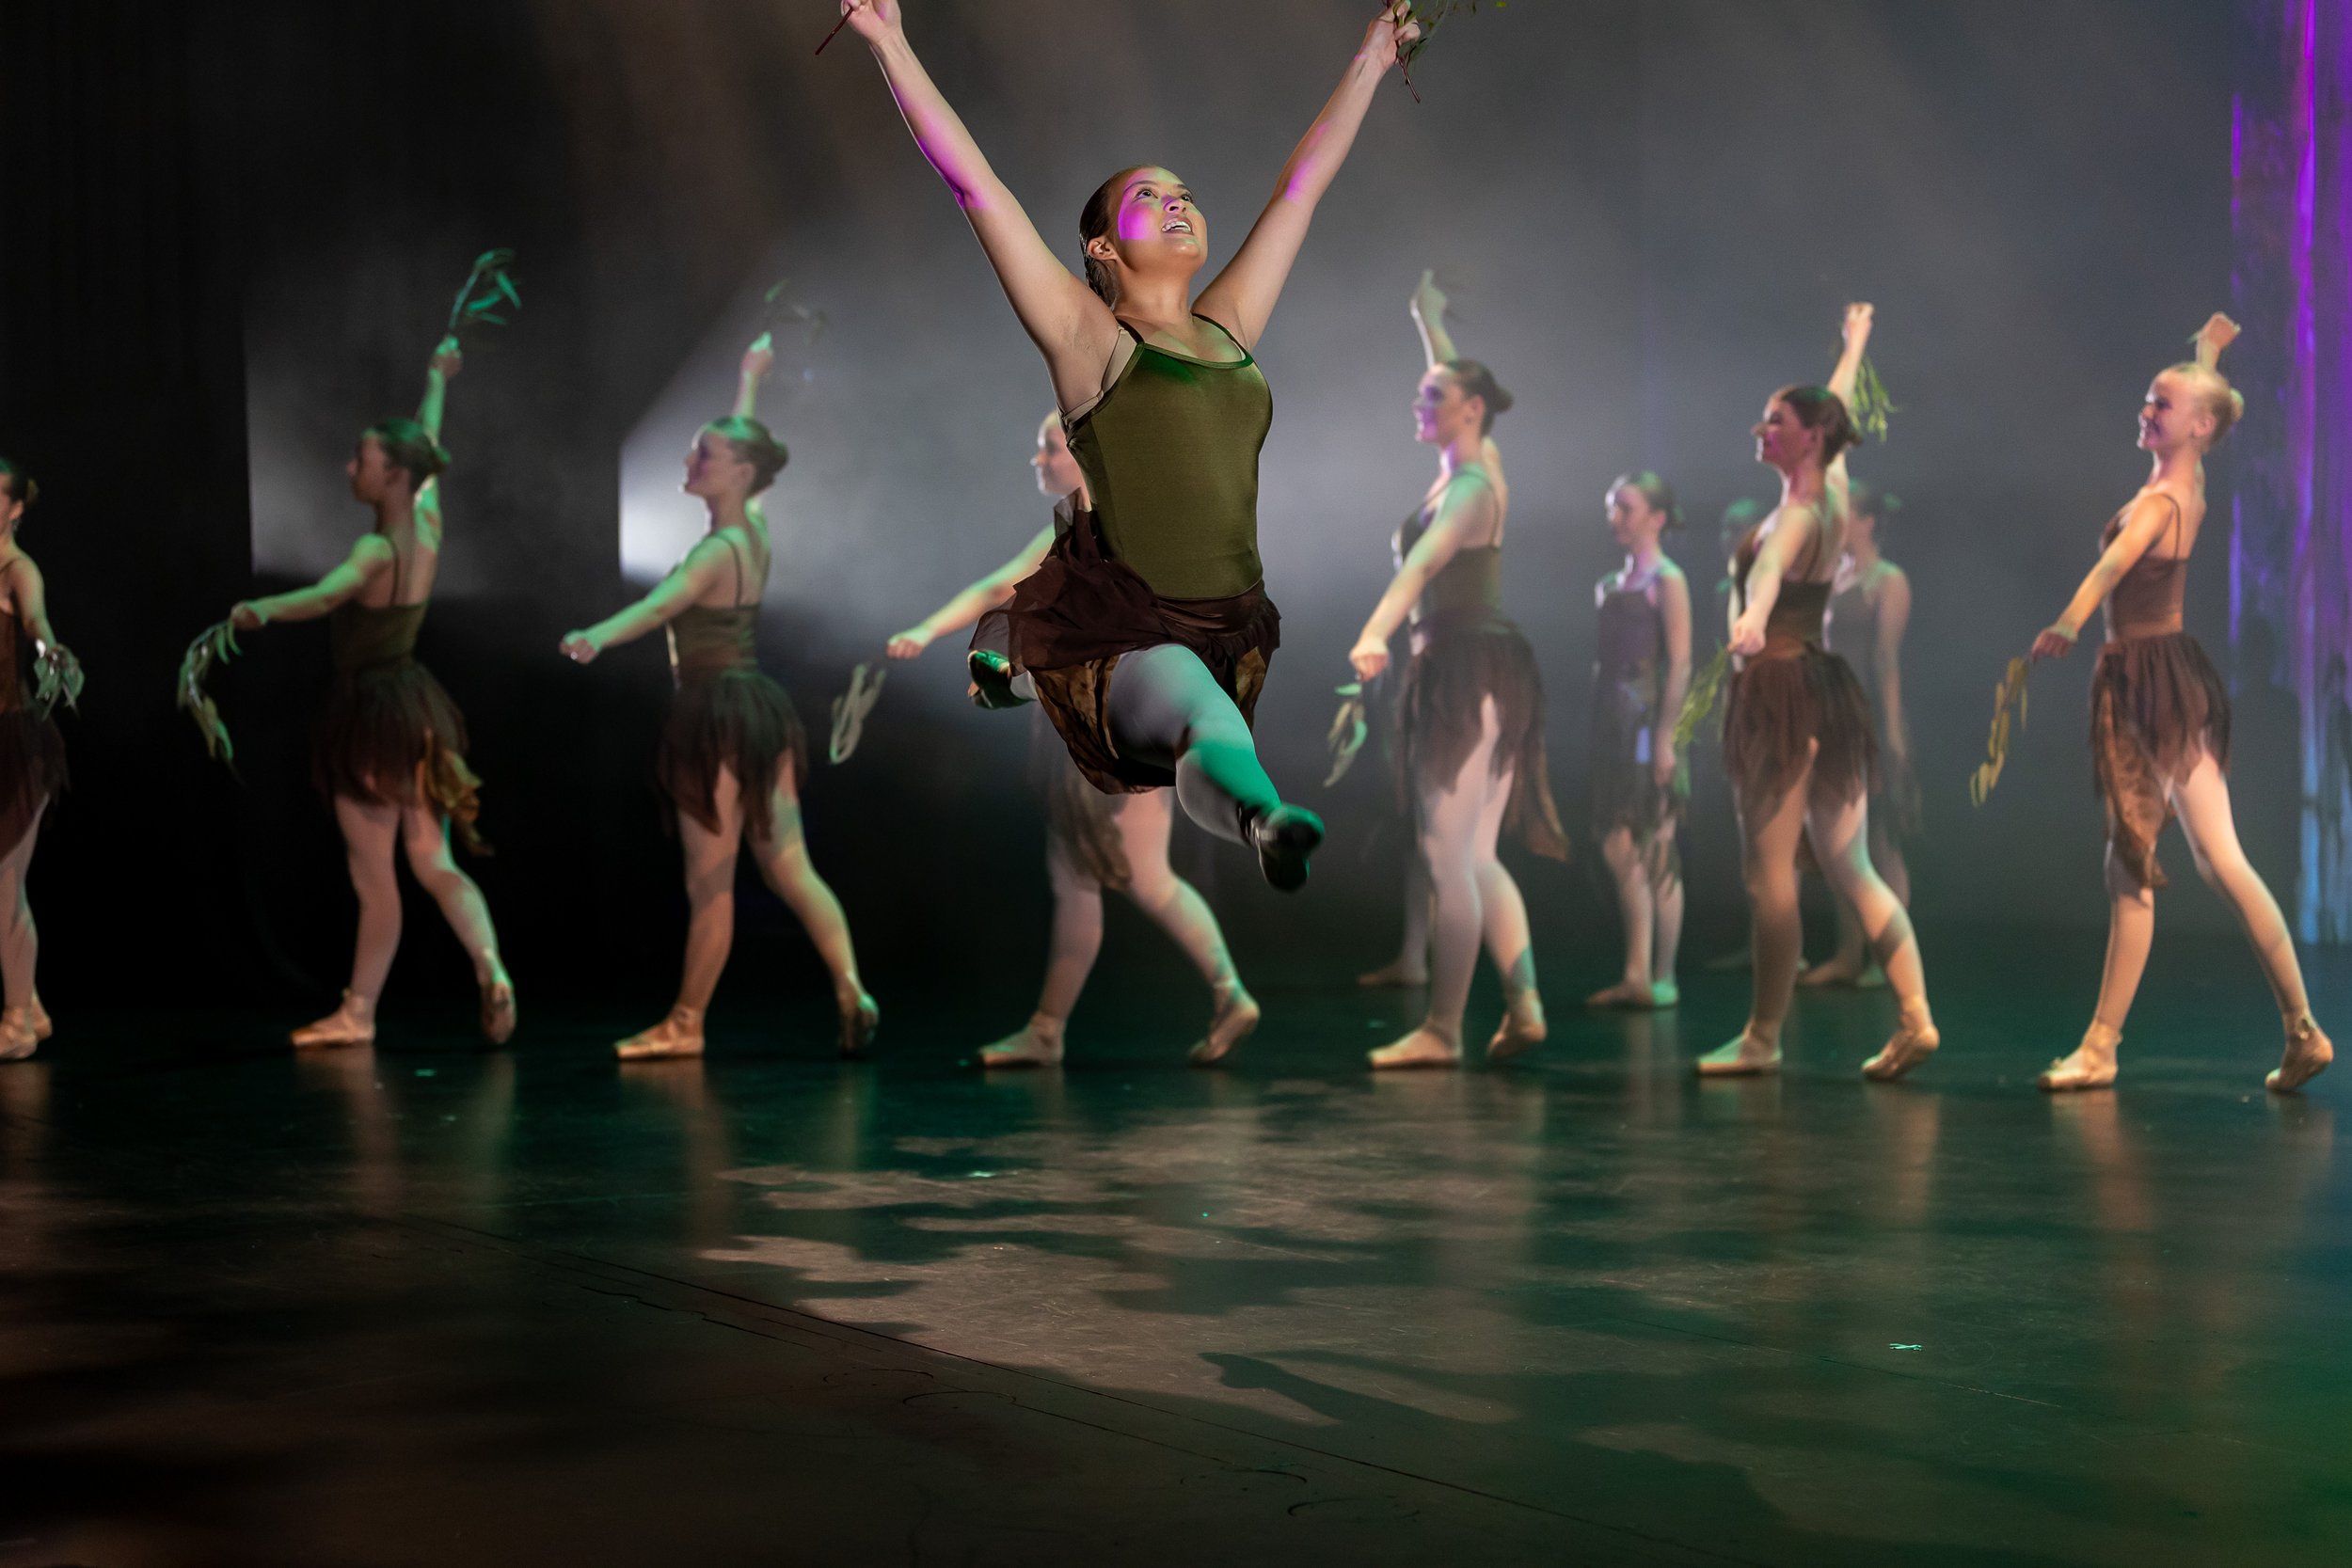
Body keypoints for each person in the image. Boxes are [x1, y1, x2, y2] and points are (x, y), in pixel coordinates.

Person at [834, 0, 1429, 889]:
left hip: (1230, 620)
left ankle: (1042, 680)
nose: (1178, 203)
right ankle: (1264, 821)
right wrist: (890, 41)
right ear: (1102, 247)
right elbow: (978, 187)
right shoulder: (1090, 341)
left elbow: (1300, 189)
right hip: (1131, 628)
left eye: (1184, 193)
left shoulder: (1228, 329)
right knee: (1203, 718)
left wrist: (1372, 61)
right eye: (1149, 197)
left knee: (1207, 715)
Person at [886, 413, 1259, 1068]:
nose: (1037, 457)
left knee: (1144, 876)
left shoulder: (1128, 534)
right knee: (1076, 875)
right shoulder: (1067, 533)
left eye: (1049, 446)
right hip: (1079, 720)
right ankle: (1048, 1027)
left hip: (1117, 723)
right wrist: (926, 629)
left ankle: (1227, 992)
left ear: (1085, 457)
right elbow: (995, 588)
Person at [2031, 314, 2331, 1094]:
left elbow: (2112, 569)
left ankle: (2101, 1046)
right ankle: (2303, 1028)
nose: (2145, 410)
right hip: (2176, 677)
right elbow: (2210, 419)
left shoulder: (2162, 504)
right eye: (2147, 400)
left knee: (2132, 866)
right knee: (2218, 859)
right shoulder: (2188, 482)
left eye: (2159, 405)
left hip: (2145, 685)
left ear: (2194, 426)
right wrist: (2205, 362)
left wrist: (2068, 619)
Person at [561, 336, 876, 1061]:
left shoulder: (711, 555)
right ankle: (852, 987)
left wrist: (595, 635)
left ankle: (687, 1022)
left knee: (712, 883)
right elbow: (749, 456)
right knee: (790, 866)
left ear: (736, 475)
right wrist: (748, 385)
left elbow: (656, 608)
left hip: (715, 716)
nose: (689, 461)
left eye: (703, 455)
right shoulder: (753, 531)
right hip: (759, 712)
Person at [228, 336, 515, 1050]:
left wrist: (260, 609)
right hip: (417, 708)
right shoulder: (427, 521)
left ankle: (358, 1011)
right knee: (433, 860)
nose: (350, 467)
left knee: (375, 876)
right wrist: (437, 380)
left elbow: (326, 598)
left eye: (362, 460)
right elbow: (429, 447)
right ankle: (490, 963)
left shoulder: (373, 551)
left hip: (368, 716)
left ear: (390, 477)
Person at [1702, 304, 1936, 1080]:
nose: (1758, 430)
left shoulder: (1800, 514)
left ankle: (1762, 1038)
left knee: (1769, 877)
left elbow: (1769, 574)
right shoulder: (1832, 478)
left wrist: (1751, 618)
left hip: (1782, 690)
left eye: (1773, 421)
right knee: (1850, 864)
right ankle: (1916, 1016)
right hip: (1826, 691)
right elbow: (1835, 403)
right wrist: (1856, 344)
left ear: (1808, 435)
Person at [1349, 273, 1565, 1069]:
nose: (1420, 401)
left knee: (1450, 857)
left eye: (1431, 395)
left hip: (1469, 670)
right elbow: (1461, 379)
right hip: (1476, 666)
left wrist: (1375, 631)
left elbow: (1423, 569)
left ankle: (1443, 1028)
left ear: (1468, 410)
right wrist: (1427, 322)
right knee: (1474, 856)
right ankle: (1524, 1003)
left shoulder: (1472, 488)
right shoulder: (1475, 460)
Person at [1587, 472, 1692, 1011]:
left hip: (1649, 725)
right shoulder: (1609, 584)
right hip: (1613, 723)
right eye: (1612, 507)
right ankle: (1637, 971)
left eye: (1625, 508)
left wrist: (1667, 737)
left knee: (1654, 846)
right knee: (1617, 841)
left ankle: (1662, 975)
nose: (1615, 518)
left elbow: (1680, 663)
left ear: (1656, 517)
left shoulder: (1667, 580)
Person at [1804, 480, 1914, 988]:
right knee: (1840, 844)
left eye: (1846, 511)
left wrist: (1891, 734)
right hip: (1831, 714)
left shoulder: (1888, 580)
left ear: (1867, 522)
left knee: (1882, 842)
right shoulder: (1836, 575)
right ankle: (1849, 954)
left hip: (1866, 714)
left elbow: (1886, 660)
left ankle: (1884, 958)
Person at [0, 459, 69, 1062]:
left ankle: (17, 1021)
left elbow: (36, 621)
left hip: (18, 744)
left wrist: (48, 651)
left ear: (16, 508)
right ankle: (35, 1008)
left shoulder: (18, 569)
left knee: (3, 886)